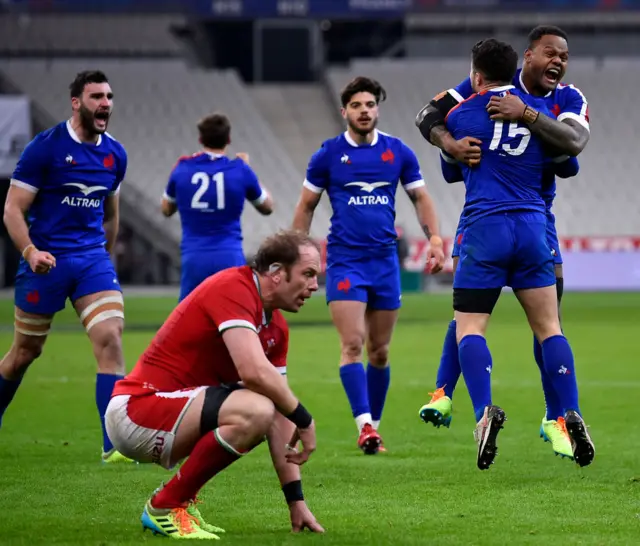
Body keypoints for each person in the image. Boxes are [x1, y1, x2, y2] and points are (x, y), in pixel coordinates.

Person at [416, 25, 591, 461]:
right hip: (534, 227)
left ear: (476, 76)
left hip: (484, 228)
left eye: (563, 56)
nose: (558, 62)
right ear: (524, 59)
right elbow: (569, 163)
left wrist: (454, 147)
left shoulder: (462, 114)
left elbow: (448, 162)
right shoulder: (540, 112)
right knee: (550, 325)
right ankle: (567, 412)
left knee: (469, 324)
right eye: (551, 53)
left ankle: (480, 410)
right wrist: (531, 129)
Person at [105, 230, 324, 540]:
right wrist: (305, 419)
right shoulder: (234, 287)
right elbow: (253, 372)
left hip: (172, 412)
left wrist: (296, 502)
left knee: (267, 408)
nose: (315, 286)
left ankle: (182, 500)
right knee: (256, 409)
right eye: (308, 274)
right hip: (137, 410)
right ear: (276, 272)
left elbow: (280, 416)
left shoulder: (276, 328)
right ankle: (165, 505)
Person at [292, 76, 445, 455]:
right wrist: (298, 253)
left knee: (380, 351)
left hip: (384, 263)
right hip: (345, 262)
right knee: (353, 344)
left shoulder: (398, 152)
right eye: (357, 105)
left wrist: (437, 239)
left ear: (378, 109)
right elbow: (306, 206)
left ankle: (372, 430)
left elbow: (421, 198)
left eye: (370, 105)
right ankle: (363, 426)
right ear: (344, 111)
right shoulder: (327, 155)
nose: (364, 111)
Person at [0, 70, 131, 463]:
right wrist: (30, 253)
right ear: (76, 103)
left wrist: (104, 259)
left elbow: (111, 215)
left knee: (110, 337)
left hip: (90, 259)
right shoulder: (46, 148)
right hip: (45, 261)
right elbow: (12, 210)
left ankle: (114, 445)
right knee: (25, 352)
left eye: (108, 96)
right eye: (96, 97)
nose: (105, 103)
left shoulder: (115, 154)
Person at [161, 112, 274, 301]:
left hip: (194, 258)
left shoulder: (182, 168)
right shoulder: (240, 170)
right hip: (229, 257)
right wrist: (248, 169)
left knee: (190, 321)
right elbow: (267, 207)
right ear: (228, 139)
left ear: (200, 139)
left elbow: (166, 209)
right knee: (235, 318)